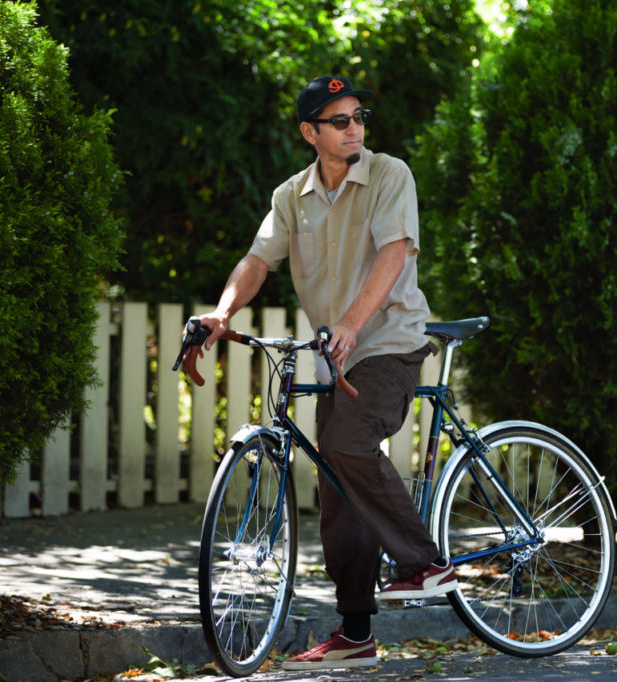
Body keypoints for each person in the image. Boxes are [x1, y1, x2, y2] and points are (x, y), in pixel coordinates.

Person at [195, 75, 457, 671]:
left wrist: (351, 324)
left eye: (359, 116)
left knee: (346, 442)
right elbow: (258, 260)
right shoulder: (292, 196)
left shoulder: (391, 174)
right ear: (310, 132)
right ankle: (356, 632)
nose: (354, 129)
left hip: (389, 343)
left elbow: (394, 252)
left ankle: (424, 561)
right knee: (336, 486)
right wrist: (220, 312)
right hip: (338, 352)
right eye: (339, 121)